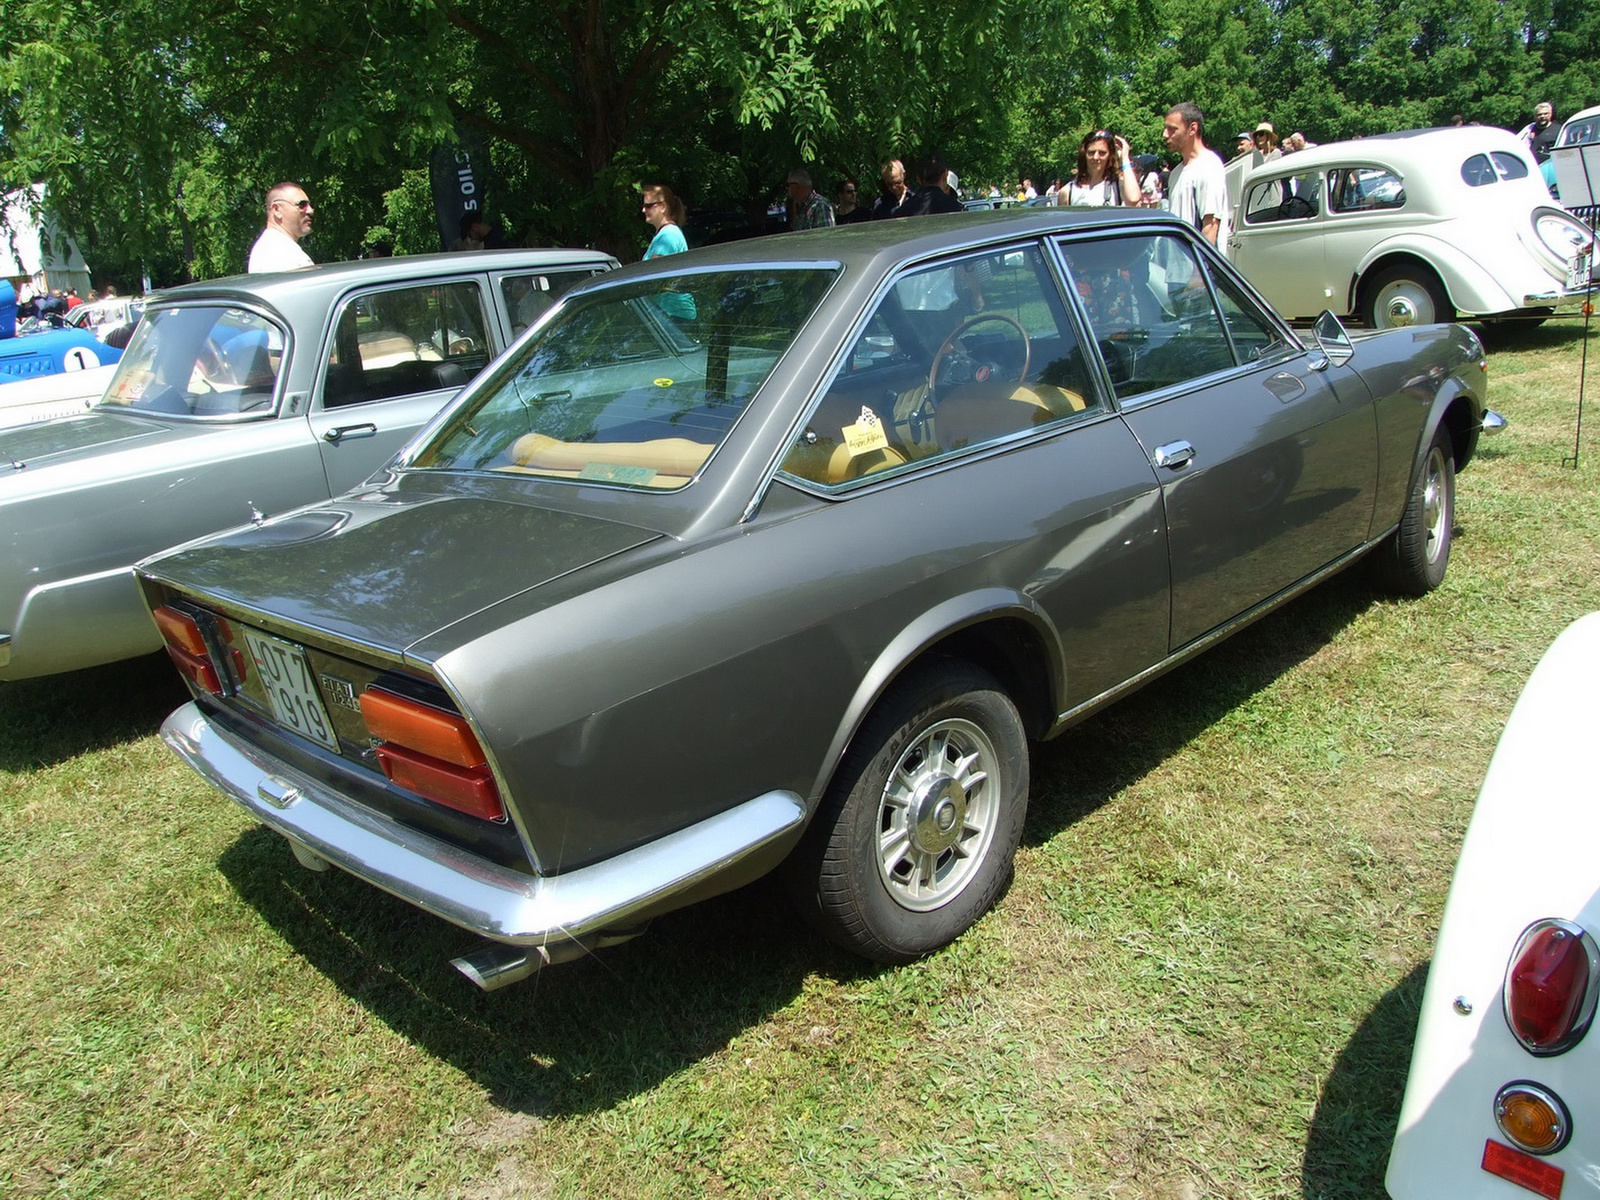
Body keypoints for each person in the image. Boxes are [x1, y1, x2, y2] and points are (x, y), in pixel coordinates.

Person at [1161, 102, 1230, 246]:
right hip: (1178, 266)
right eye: (1165, 128)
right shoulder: (1176, 173)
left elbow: (1210, 226)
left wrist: (1199, 268)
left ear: (1192, 128)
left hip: (1198, 266)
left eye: (1172, 129)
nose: (1165, 135)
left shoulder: (1208, 166)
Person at [640, 183, 695, 323]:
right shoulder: (665, 234)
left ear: (663, 207)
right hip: (670, 314)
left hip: (674, 316)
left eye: (648, 206)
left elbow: (655, 279)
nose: (643, 210)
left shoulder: (668, 236)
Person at [1059, 130, 1143, 207]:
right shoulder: (1067, 191)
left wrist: (1124, 158)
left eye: (1102, 153)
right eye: (1091, 152)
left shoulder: (1117, 186)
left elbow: (1133, 200)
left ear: (1109, 155)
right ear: (1084, 154)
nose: (1096, 157)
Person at [248, 182, 315, 272]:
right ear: (277, 210)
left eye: (310, 205)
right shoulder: (275, 253)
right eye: (302, 205)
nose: (310, 211)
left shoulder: (282, 248)